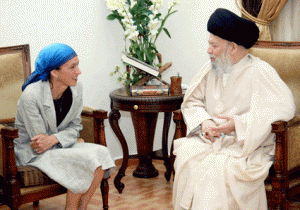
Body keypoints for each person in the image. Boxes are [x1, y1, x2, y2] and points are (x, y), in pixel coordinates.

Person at [172, 8, 295, 210]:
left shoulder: (260, 70)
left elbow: (285, 108)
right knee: (188, 158)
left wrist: (237, 125)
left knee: (218, 170)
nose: (208, 50)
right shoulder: (211, 67)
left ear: (233, 48)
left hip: (245, 146)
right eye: (209, 44)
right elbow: (192, 102)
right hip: (211, 141)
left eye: (214, 45)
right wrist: (206, 121)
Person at [14, 43, 115, 210]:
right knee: (86, 160)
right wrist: (73, 140)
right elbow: (40, 142)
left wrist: (58, 138)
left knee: (102, 154)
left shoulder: (76, 89)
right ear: (54, 72)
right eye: (72, 67)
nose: (79, 72)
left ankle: (81, 207)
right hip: (32, 152)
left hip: (57, 145)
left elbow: (75, 127)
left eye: (78, 65)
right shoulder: (31, 96)